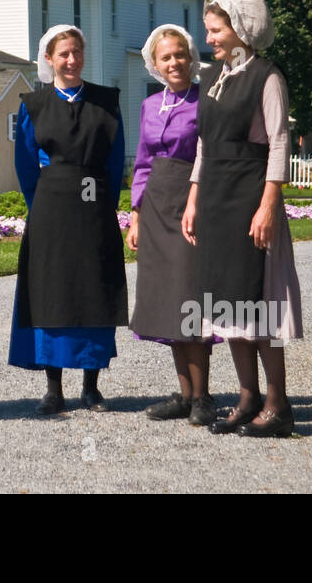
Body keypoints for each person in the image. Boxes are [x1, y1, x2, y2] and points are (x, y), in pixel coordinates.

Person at [181, 0, 303, 437]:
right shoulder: (215, 76)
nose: (208, 37)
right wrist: (194, 198)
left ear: (240, 30)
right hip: (214, 197)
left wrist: (269, 204)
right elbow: (202, 144)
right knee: (226, 301)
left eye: (215, 29)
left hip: (250, 195)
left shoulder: (267, 78)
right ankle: (247, 396)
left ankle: (278, 403)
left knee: (258, 301)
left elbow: (278, 142)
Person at [9, 24, 127, 414]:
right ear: (49, 59)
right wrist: (41, 203)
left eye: (77, 52)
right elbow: (25, 164)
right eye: (64, 54)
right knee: (52, 291)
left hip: (94, 208)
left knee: (93, 288)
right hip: (51, 206)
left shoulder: (106, 102)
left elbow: (113, 161)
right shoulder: (34, 104)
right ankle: (53, 387)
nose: (72, 60)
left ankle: (91, 387)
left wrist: (102, 205)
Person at [126, 24, 217, 426]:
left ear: (191, 57)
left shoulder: (206, 101)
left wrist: (198, 203)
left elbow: (211, 155)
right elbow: (143, 163)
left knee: (189, 298)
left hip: (192, 202)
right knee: (166, 300)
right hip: (156, 207)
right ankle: (184, 394)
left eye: (180, 54)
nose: (174, 62)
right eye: (166, 57)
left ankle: (203, 397)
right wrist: (136, 215)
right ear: (155, 63)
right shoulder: (149, 106)